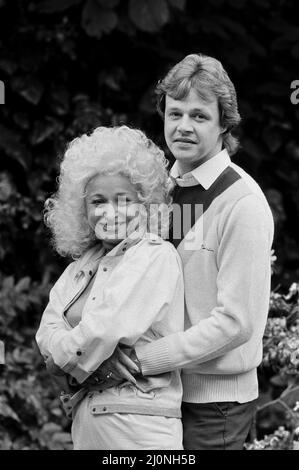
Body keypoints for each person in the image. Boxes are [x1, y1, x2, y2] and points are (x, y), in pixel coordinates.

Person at [99, 53, 275, 450]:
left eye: (199, 116)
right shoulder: (161, 189)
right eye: (175, 113)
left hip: (216, 406)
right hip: (158, 395)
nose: (183, 126)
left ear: (224, 122)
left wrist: (145, 358)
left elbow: (236, 322)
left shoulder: (241, 203)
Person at [35, 125, 185, 450]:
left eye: (123, 200)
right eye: (98, 201)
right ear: (82, 209)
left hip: (138, 427)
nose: (110, 211)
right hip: (88, 423)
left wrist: (61, 363)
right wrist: (80, 361)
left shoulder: (154, 254)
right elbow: (47, 330)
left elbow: (104, 328)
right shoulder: (82, 265)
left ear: (144, 203)